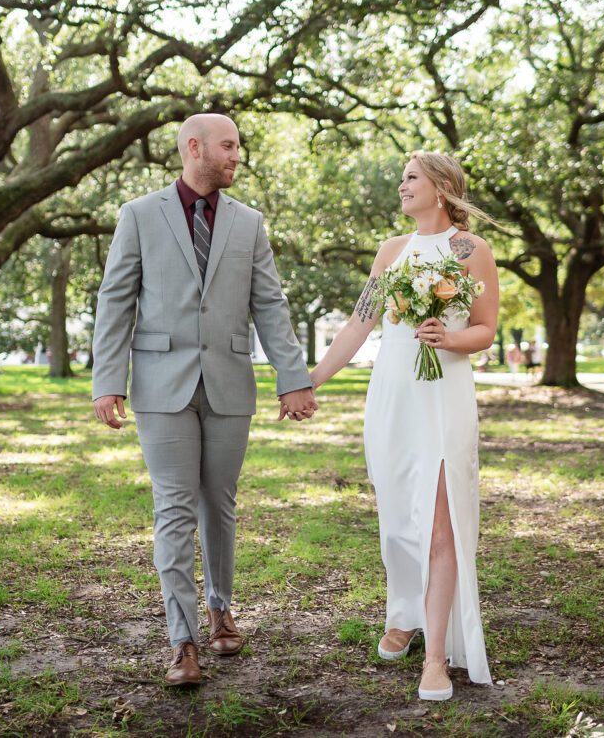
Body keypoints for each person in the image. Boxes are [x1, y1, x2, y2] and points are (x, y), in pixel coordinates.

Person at [91, 113, 318, 687]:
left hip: (228, 382)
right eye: (228, 146)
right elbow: (116, 301)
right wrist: (107, 380)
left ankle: (220, 608)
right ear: (194, 148)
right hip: (161, 386)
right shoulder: (140, 216)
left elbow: (270, 304)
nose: (236, 156)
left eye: (238, 147)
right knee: (173, 506)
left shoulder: (250, 223)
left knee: (218, 504)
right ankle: (182, 639)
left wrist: (293, 377)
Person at [310, 151, 499, 701]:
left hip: (442, 395)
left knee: (441, 525)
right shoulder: (390, 252)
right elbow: (359, 322)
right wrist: (310, 380)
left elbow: (485, 329)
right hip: (392, 393)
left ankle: (436, 657)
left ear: (440, 187)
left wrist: (450, 337)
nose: (402, 185)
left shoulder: (472, 250)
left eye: (411, 178)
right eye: (402, 178)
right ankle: (404, 614)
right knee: (396, 521)